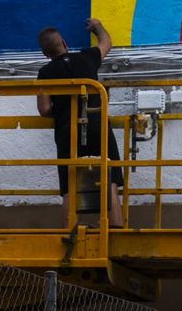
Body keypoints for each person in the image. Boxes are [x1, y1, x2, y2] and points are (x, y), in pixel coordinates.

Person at [35, 18, 123, 228]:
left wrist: (63, 112)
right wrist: (97, 27)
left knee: (69, 184)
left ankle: (70, 230)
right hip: (97, 125)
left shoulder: (45, 73)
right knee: (108, 177)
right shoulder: (87, 58)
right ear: (64, 43)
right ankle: (117, 227)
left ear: (45, 54)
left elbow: (44, 109)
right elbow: (106, 43)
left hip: (68, 130)